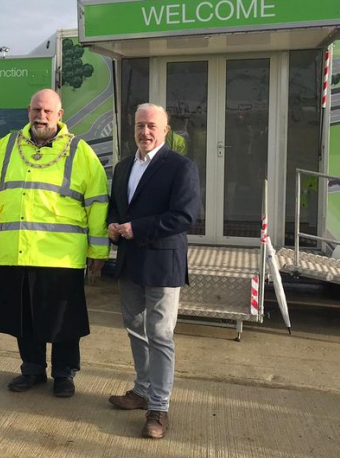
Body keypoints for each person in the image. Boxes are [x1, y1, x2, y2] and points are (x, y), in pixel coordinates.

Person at [0, 88, 109, 398]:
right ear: (28, 111)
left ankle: (64, 374)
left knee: (64, 322)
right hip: (15, 252)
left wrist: (98, 251)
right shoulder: (6, 147)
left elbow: (98, 202)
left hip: (60, 256)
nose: (42, 116)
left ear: (60, 115)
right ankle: (32, 369)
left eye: (48, 111)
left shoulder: (80, 152)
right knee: (24, 319)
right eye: (37, 110)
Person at [107, 103, 200, 439]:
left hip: (163, 263)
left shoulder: (180, 167)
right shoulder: (122, 167)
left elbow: (185, 216)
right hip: (131, 261)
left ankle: (158, 408)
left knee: (160, 334)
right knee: (135, 327)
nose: (144, 132)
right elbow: (116, 206)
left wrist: (136, 228)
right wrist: (113, 226)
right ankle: (142, 389)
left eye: (151, 126)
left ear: (165, 130)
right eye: (139, 125)